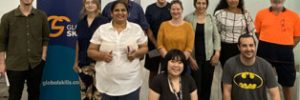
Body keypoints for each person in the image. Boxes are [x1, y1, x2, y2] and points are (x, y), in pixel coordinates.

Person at [87, 1, 148, 100]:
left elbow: (145, 48)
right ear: (111, 13)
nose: (120, 13)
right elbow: (90, 51)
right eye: (116, 10)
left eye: (123, 10)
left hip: (131, 84)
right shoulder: (102, 29)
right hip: (106, 85)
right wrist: (102, 56)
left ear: (127, 13)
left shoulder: (136, 29)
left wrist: (136, 53)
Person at [0, 0, 50, 99]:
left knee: (34, 95)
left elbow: (45, 38)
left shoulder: (42, 16)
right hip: (14, 65)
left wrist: (43, 57)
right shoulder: (7, 18)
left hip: (36, 64)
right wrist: (2, 63)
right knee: (14, 96)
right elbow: (2, 42)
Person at [254, 0, 300, 100]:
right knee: (260, 83)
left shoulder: (294, 16)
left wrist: (287, 47)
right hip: (264, 53)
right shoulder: (261, 14)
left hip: (285, 56)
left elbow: (297, 36)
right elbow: (257, 33)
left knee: (287, 86)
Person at [222, 34, 280, 100]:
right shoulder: (230, 64)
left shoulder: (266, 66)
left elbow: (275, 93)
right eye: (244, 46)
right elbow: (227, 92)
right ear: (239, 47)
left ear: (255, 46)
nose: (248, 49)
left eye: (251, 45)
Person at [184, 0, 221, 99]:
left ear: (207, 5)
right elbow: (185, 39)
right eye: (198, 3)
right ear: (195, 4)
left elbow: (216, 36)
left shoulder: (211, 18)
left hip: (209, 58)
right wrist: (190, 59)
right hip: (194, 58)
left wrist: (217, 53)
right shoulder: (188, 18)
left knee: (207, 86)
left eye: (203, 3)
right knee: (196, 87)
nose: (201, 6)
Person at [73, 0, 109, 99]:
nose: (90, 5)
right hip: (83, 64)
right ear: (84, 5)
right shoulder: (80, 23)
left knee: (98, 95)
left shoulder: (105, 22)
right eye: (87, 2)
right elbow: (78, 43)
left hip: (100, 64)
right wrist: (75, 61)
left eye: (93, 2)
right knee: (85, 95)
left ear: (97, 5)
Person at [214, 0, 256, 66]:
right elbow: (216, 34)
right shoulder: (219, 13)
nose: (233, 1)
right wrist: (217, 51)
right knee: (228, 71)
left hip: (242, 47)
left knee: (242, 71)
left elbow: (251, 32)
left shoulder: (245, 14)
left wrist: (250, 48)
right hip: (225, 48)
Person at [145, 0, 172, 83]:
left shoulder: (171, 7)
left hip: (168, 47)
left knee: (168, 71)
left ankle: (165, 94)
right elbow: (147, 28)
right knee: (153, 71)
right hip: (153, 46)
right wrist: (157, 44)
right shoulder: (150, 8)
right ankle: (153, 93)